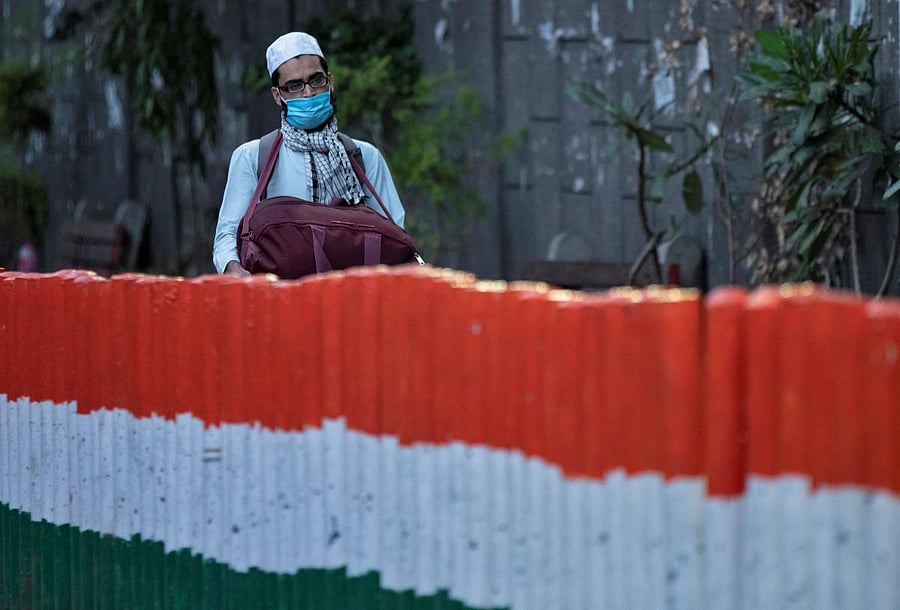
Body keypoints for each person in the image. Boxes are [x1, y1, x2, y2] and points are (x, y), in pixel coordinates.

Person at [213, 31, 406, 276]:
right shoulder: (254, 157)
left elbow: (394, 233)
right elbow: (227, 236)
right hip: (279, 302)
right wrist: (234, 271)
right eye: (294, 86)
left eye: (316, 80)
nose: (308, 93)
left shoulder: (363, 157)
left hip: (352, 302)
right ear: (277, 95)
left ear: (330, 81)